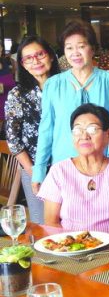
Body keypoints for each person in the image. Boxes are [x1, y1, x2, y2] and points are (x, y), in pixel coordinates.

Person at [31, 20, 109, 188]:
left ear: (92, 48)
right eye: (69, 48)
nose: (75, 53)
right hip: (64, 164)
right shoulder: (53, 84)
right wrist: (39, 171)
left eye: (81, 46)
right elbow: (46, 129)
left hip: (106, 164)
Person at [37, 104, 109, 236]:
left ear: (108, 134)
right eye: (77, 130)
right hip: (71, 249)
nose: (84, 135)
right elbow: (51, 222)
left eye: (92, 129)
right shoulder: (59, 171)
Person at [4, 36, 61, 223]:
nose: (35, 61)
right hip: (35, 169)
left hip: (69, 168)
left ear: (51, 56)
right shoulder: (18, 94)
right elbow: (13, 140)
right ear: (23, 64)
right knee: (43, 227)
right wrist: (35, 173)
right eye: (28, 58)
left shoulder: (67, 87)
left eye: (40, 54)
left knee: (73, 224)